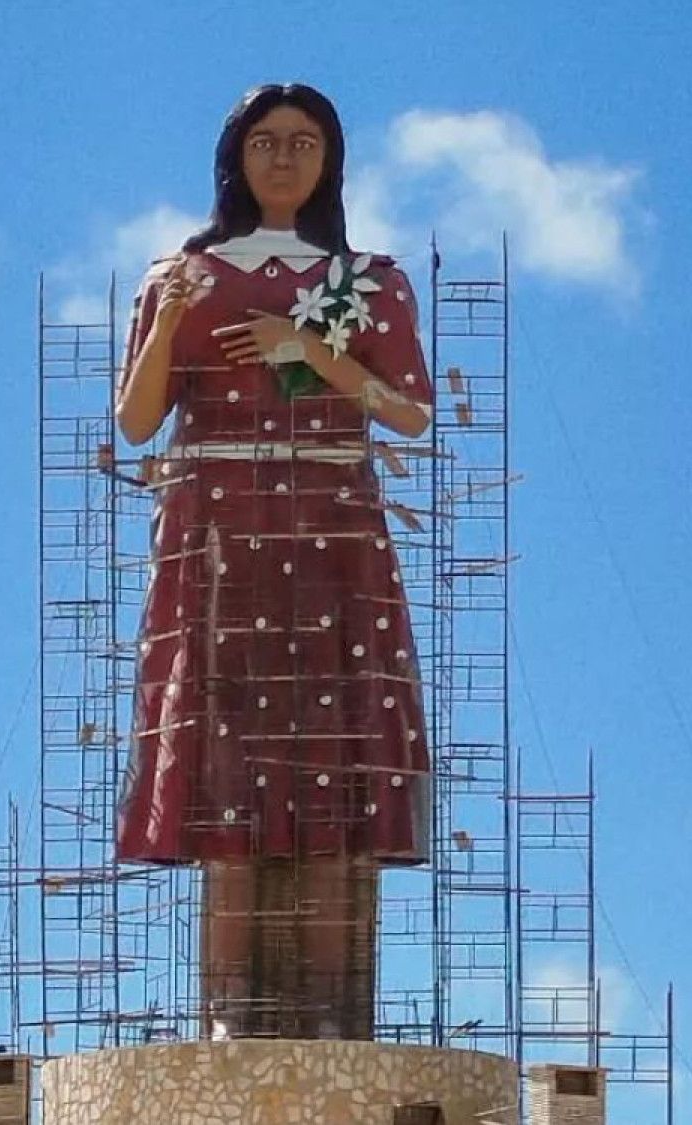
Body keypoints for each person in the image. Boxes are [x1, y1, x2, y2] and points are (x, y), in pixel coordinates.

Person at [112, 83, 435, 1040]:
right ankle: (229, 1016)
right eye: (265, 141)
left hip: (333, 527)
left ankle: (339, 1018)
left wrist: (313, 352)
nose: (284, 159)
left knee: (336, 755)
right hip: (217, 526)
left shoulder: (368, 279)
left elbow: (412, 413)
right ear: (235, 156)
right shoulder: (184, 273)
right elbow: (135, 424)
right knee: (227, 758)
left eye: (304, 142)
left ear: (331, 159)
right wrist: (169, 321)